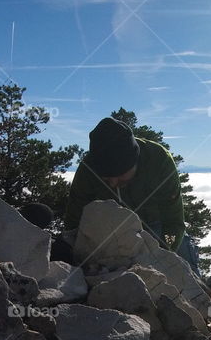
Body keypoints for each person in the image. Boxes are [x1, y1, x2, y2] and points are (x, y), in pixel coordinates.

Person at [62, 117, 201, 274]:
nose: (114, 183)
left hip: (157, 226)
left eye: (120, 176)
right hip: (111, 232)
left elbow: (173, 221)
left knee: (183, 258)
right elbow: (74, 219)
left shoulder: (159, 160)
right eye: (106, 179)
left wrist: (165, 251)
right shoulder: (88, 169)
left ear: (135, 161)